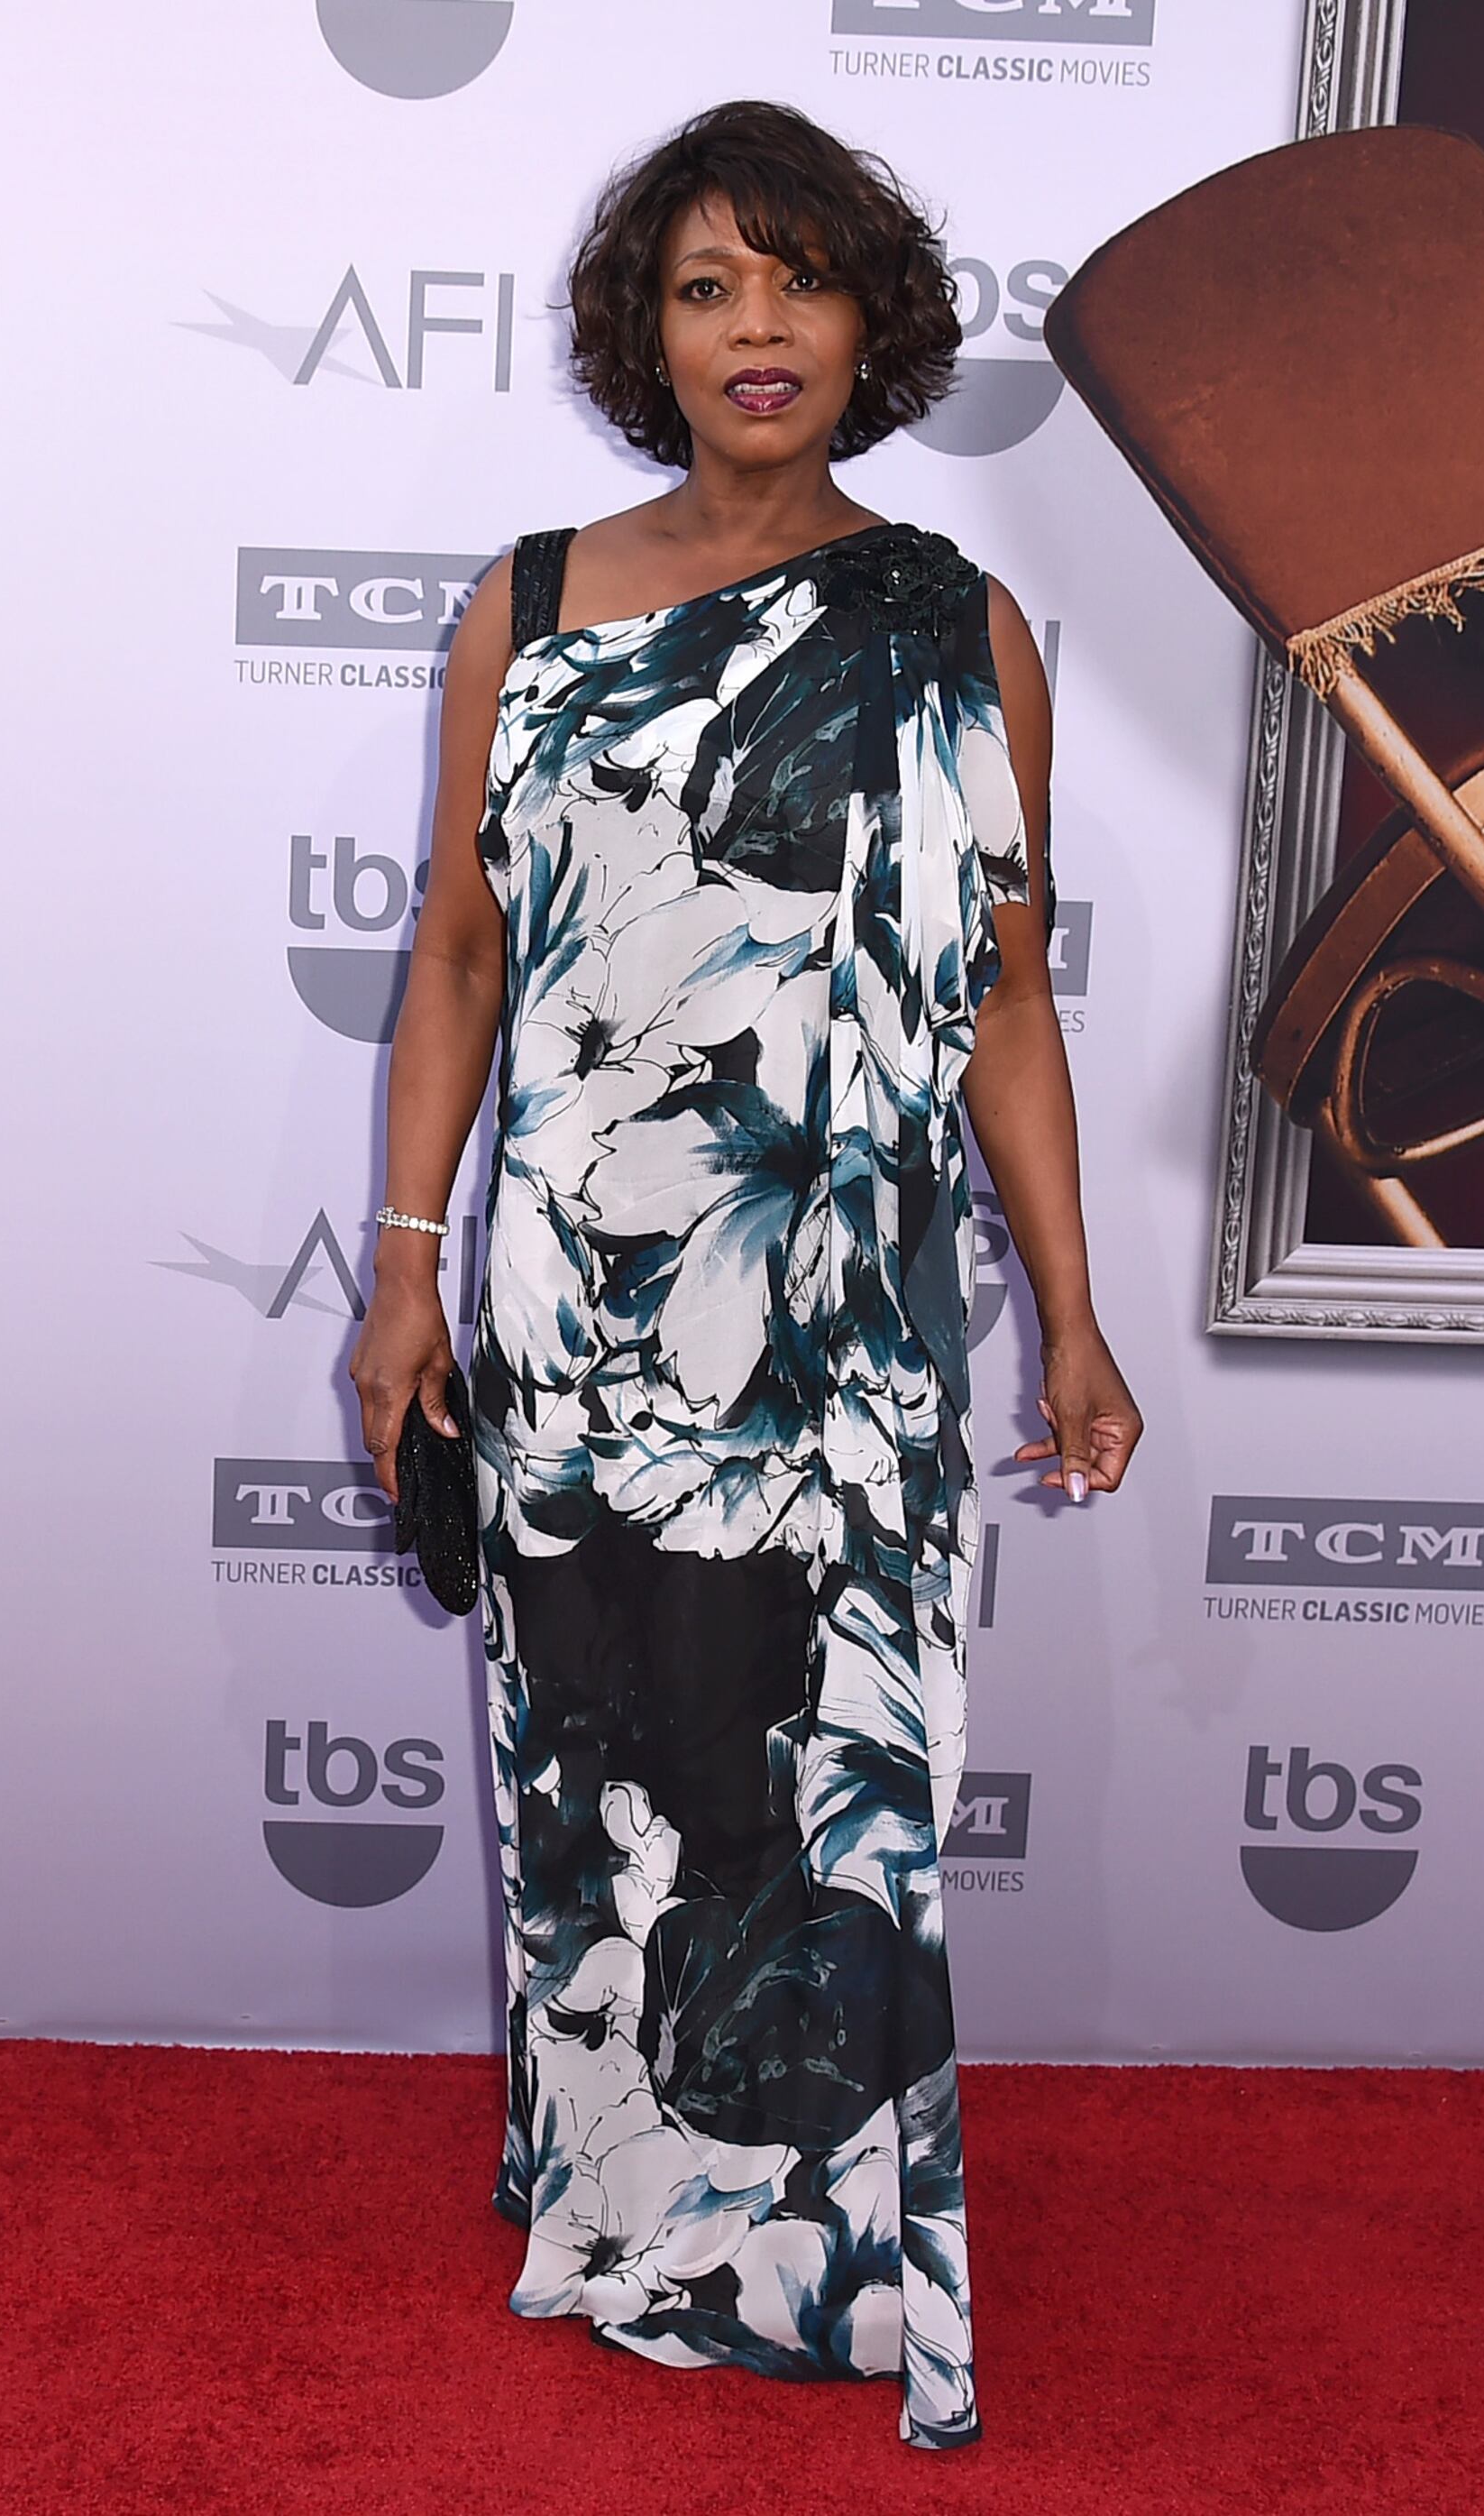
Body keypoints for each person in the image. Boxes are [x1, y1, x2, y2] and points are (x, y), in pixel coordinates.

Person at [345, 99, 1140, 2450]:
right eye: (708, 286)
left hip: (845, 1326)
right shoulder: (528, 605)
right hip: (581, 1314)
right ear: (649, 334)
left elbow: (1006, 997)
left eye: (799, 278)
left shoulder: (953, 626)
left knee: (828, 1784)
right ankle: (623, 2212)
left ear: (872, 322)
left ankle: (821, 2248)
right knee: (613, 1779)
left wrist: (1071, 1309)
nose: (757, 326)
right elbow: (460, 955)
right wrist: (404, 1271)